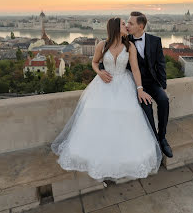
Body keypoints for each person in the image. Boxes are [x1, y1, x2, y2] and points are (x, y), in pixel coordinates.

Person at [51, 17, 162, 183]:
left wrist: (140, 89)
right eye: (124, 24)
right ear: (116, 28)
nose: (127, 26)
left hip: (124, 84)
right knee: (98, 121)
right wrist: (99, 72)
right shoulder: (101, 45)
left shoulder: (129, 46)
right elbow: (94, 63)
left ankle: (120, 160)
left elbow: (136, 70)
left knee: (126, 121)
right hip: (103, 85)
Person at [124, 11, 173, 158]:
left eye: (131, 23)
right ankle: (154, 140)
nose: (127, 26)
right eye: (127, 23)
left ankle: (162, 137)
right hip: (135, 84)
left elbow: (161, 64)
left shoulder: (155, 40)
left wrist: (162, 86)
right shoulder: (124, 40)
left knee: (164, 101)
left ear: (141, 26)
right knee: (147, 107)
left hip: (152, 82)